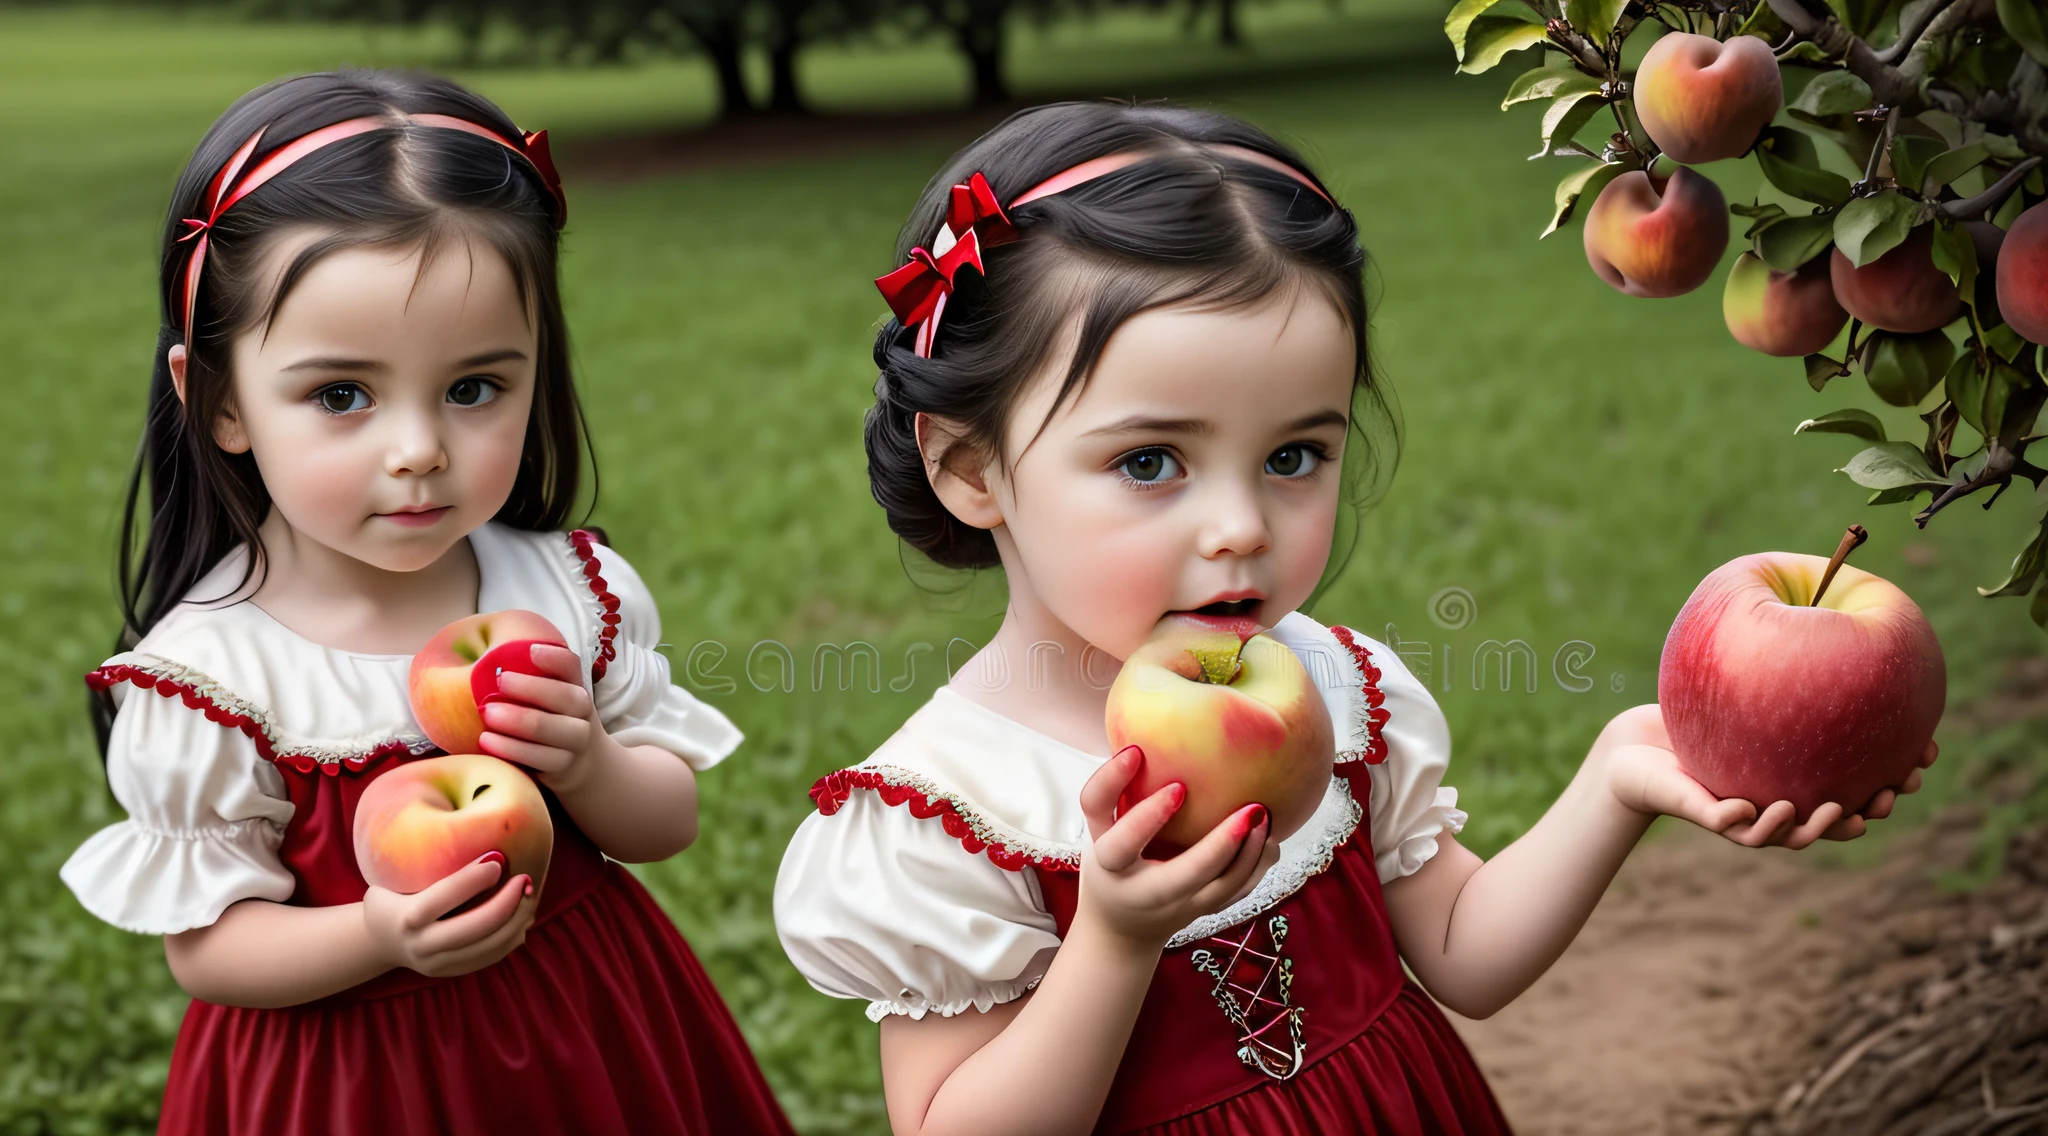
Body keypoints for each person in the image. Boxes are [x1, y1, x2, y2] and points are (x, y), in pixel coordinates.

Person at [772, 101, 1937, 1135]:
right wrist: (1113, 941)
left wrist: (1617, 774)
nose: (1238, 525)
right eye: (1148, 461)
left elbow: (1464, 957)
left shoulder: (1332, 690)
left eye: (1292, 454)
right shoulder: (948, 809)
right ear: (971, 469)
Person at [61, 69, 793, 1135]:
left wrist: (587, 761)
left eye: (474, 387)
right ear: (218, 402)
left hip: (587, 1028)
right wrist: (380, 934)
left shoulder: (564, 592)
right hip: (350, 1080)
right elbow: (208, 948)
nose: (419, 451)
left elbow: (663, 821)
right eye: (341, 395)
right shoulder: (212, 677)